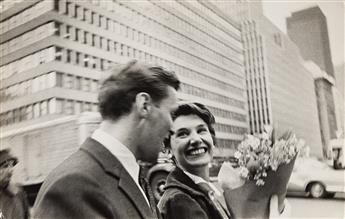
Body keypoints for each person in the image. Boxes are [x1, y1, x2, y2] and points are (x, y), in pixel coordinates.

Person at [33, 60, 180, 219]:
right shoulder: (74, 185)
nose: (173, 127)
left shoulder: (131, 174)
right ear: (144, 105)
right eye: (171, 114)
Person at [158, 102, 290, 219]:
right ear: (168, 149)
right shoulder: (179, 201)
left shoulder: (206, 189)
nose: (196, 139)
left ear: (212, 141)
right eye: (183, 134)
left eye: (201, 130)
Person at [0, 149, 29, 219]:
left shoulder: (19, 193)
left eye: (11, 166)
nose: (10, 170)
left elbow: (27, 216)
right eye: (5, 166)